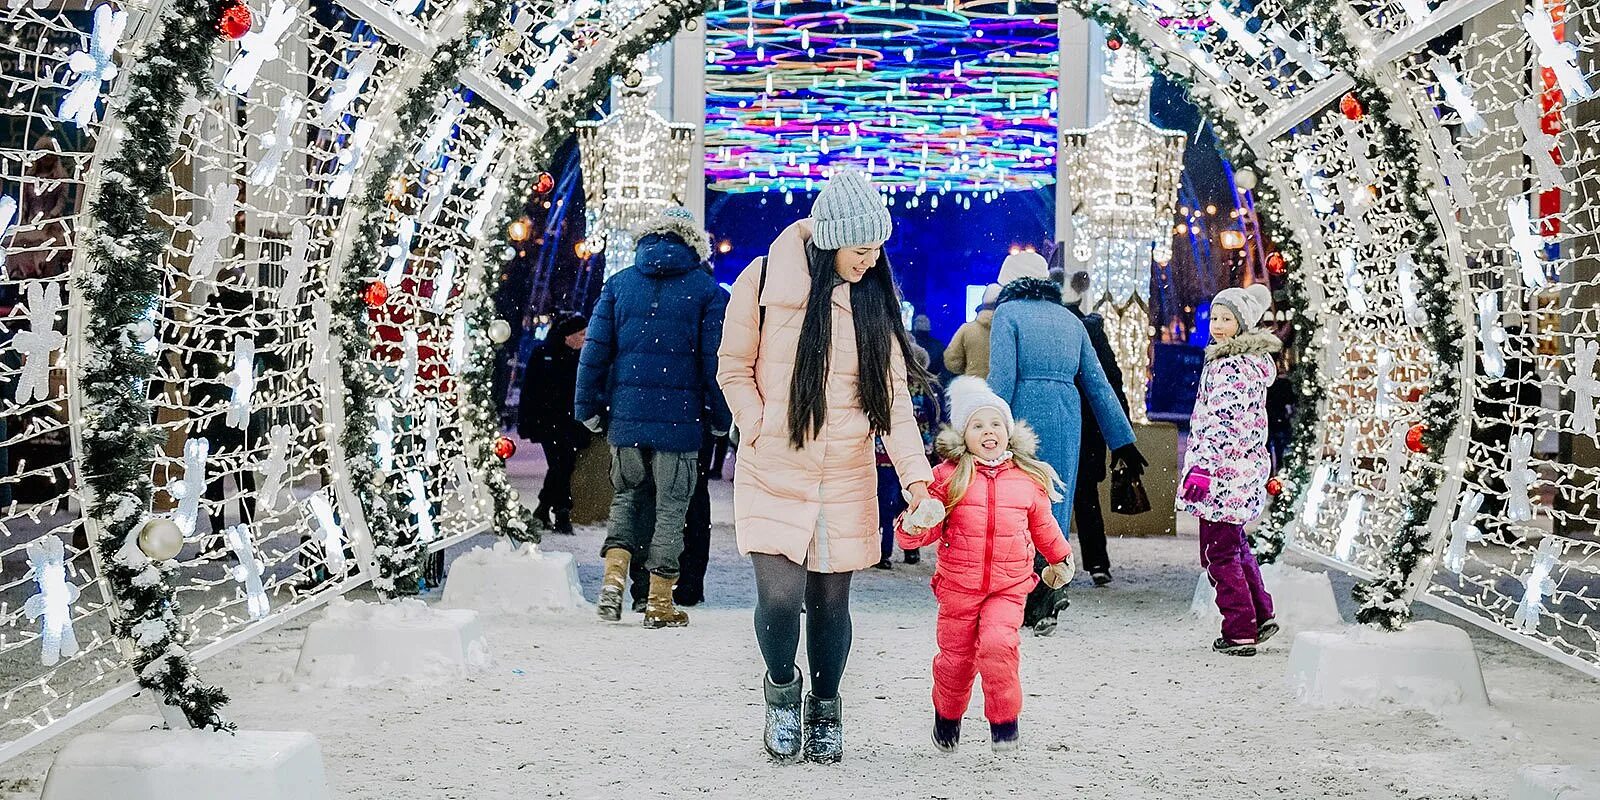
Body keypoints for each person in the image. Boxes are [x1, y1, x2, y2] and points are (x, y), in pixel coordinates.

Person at [717, 169, 933, 765]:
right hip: (774, 467)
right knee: (782, 601)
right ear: (830, 239)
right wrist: (758, 425)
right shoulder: (760, 282)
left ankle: (826, 707)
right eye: (861, 250)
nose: (870, 262)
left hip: (844, 472)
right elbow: (732, 367)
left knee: (832, 604)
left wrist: (917, 479)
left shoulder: (873, 303)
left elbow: (892, 405)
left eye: (876, 250)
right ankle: (782, 692)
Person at [897, 377, 1074, 753]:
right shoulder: (948, 477)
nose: (988, 432)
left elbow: (1044, 525)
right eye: (977, 425)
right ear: (964, 435)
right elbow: (922, 529)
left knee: (999, 645)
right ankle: (947, 718)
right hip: (958, 588)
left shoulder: (1026, 479)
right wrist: (914, 525)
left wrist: (1060, 557)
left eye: (995, 424)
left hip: (1008, 587)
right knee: (955, 661)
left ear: (1008, 433)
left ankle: (1004, 722)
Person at [575, 207, 730, 629]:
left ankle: (612, 583)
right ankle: (660, 600)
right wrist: (721, 417)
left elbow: (593, 354)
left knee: (626, 499)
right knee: (671, 511)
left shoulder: (619, 286)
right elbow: (714, 363)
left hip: (625, 419)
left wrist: (586, 408)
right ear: (692, 242)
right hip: (680, 425)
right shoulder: (706, 291)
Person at [987, 251, 1143, 636]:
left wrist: (986, 428)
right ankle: (1053, 590)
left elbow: (1002, 378)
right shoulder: (1072, 321)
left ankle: (1029, 596)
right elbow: (1098, 383)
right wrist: (1123, 440)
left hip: (1022, 418)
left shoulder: (1008, 315)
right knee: (1055, 506)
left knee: (1018, 509)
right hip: (1066, 418)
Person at [1179, 283, 1280, 657]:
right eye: (1216, 318)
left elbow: (1221, 424)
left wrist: (1203, 469)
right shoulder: (1250, 364)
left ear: (1242, 325)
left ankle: (1239, 630)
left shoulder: (1229, 366)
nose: (1218, 326)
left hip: (1222, 474)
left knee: (1218, 554)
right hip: (1240, 471)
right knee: (1235, 546)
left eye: (1227, 319)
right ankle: (1261, 614)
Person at [1058, 270, 1131, 587]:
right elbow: (1112, 380)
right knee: (1086, 496)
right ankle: (1098, 562)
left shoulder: (1055, 329)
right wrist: (1120, 428)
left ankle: (1051, 562)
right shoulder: (1092, 330)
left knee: (1049, 496)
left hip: (1060, 419)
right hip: (1089, 425)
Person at [518, 313, 589, 535]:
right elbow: (530, 391)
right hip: (550, 422)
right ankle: (561, 511)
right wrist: (529, 420)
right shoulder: (545, 354)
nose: (585, 338)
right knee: (561, 465)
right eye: (581, 334)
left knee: (562, 465)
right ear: (568, 336)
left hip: (568, 422)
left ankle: (543, 508)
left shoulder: (578, 358)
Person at [874, 343, 941, 569]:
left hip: (884, 455)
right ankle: (912, 550)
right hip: (917, 455)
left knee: (885, 503)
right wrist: (930, 445)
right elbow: (935, 419)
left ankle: (883, 553)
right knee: (911, 501)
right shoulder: (929, 388)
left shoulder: (887, 384)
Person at [944, 284, 1000, 379]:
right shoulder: (1012, 331)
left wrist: (970, 369)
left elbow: (952, 361)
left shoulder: (967, 329)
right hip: (1003, 389)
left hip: (974, 386)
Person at [910, 314, 948, 380]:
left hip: (933, 381)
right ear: (914, 325)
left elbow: (944, 367)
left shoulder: (938, 345)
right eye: (920, 321)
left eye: (925, 321)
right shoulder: (907, 342)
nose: (923, 323)